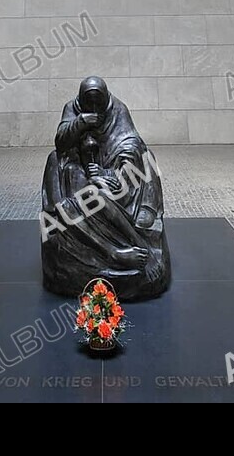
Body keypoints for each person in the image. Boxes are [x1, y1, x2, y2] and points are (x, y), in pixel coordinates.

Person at [41, 76, 171, 300]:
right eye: (88, 102)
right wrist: (81, 122)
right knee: (82, 202)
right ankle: (119, 251)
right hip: (84, 179)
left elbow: (130, 141)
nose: (93, 107)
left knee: (146, 158)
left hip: (112, 170)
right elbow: (61, 141)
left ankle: (142, 213)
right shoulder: (62, 158)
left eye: (97, 102)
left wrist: (110, 174)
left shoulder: (118, 109)